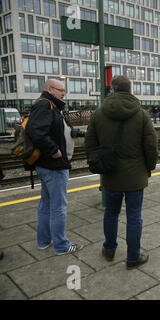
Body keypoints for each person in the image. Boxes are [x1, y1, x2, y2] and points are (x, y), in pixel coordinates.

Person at [85, 76, 158, 270]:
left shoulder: (98, 114)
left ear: (113, 90)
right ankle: (133, 257)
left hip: (109, 174)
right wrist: (149, 168)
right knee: (134, 216)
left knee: (110, 213)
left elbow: (89, 145)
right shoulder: (142, 115)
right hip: (135, 176)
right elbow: (151, 146)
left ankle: (109, 249)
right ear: (130, 90)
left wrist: (99, 164)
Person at [26, 79, 82, 255]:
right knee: (58, 206)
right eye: (60, 90)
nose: (63, 93)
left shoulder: (49, 105)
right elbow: (36, 131)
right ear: (49, 89)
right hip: (53, 165)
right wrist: (54, 151)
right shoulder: (44, 106)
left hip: (46, 165)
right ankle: (61, 245)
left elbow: (49, 130)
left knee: (46, 203)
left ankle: (43, 241)